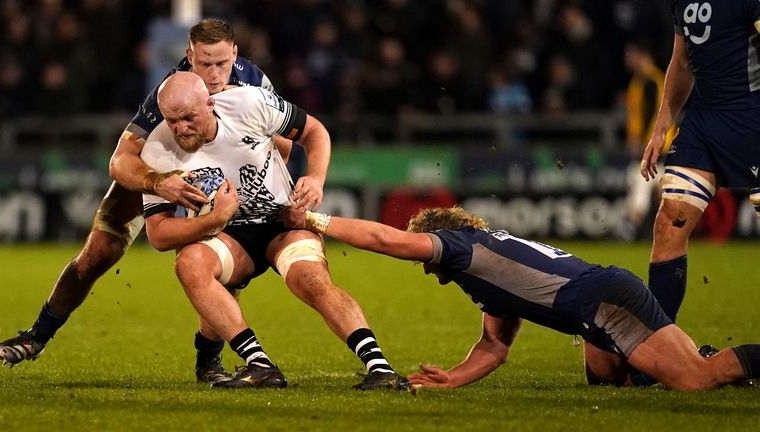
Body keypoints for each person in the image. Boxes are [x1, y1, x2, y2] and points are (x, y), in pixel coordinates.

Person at [0, 19, 283, 385]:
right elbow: (120, 161)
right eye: (203, 63)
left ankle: (208, 362)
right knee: (99, 250)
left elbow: (283, 140)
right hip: (165, 169)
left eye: (220, 64)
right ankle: (37, 336)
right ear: (188, 55)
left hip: (225, 172)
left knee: (221, 267)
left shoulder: (255, 82)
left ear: (235, 54)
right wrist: (160, 183)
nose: (212, 74)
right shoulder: (170, 90)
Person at [280, 205, 760, 391]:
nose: (427, 269)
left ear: (438, 241)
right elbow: (495, 347)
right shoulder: (482, 273)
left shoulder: (462, 247)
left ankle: (712, 361)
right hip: (595, 307)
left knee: (694, 381)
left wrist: (312, 221)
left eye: (426, 258)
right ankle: (688, 353)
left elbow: (386, 241)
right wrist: (452, 379)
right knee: (610, 384)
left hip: (604, 302)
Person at [139, 71, 411, 391]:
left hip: (284, 222)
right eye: (171, 121)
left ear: (209, 103)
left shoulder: (249, 103)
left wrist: (315, 178)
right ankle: (260, 365)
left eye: (188, 117)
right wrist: (212, 221)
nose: (179, 128)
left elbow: (314, 132)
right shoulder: (157, 151)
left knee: (310, 279)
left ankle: (380, 368)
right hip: (227, 235)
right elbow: (158, 235)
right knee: (189, 265)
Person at [640, 1, 760, 323]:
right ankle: (658, 347)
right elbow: (681, 64)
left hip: (752, 120)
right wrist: (660, 129)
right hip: (703, 123)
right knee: (669, 222)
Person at [621, 42, 669, 241]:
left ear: (642, 54)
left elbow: (654, 116)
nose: (627, 59)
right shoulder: (640, 81)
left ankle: (630, 227)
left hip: (655, 148)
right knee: (660, 192)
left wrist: (644, 143)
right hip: (655, 148)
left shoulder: (652, 81)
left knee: (640, 184)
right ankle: (665, 232)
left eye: (630, 54)